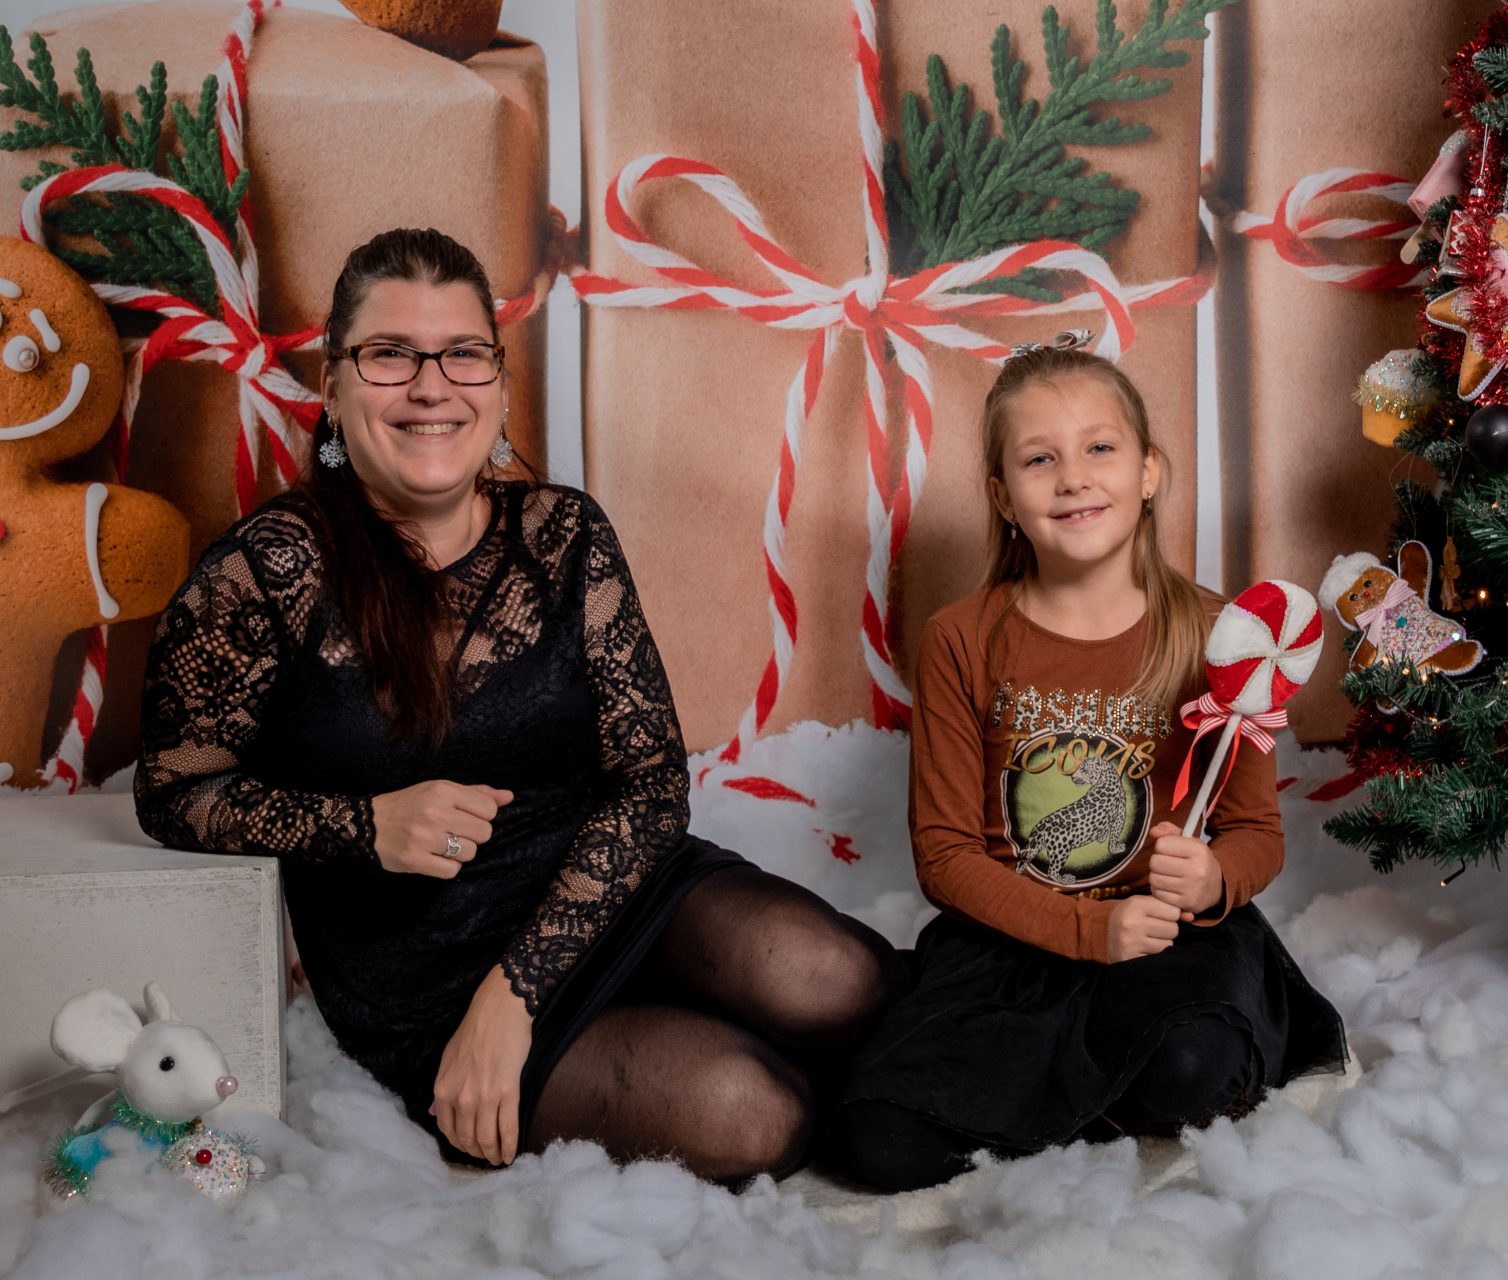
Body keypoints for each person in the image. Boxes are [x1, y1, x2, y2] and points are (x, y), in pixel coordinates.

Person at [135, 227, 901, 1183]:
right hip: (432, 976)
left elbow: (652, 784)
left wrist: (518, 993)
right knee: (753, 1115)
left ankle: (987, 1059)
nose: (432, 386)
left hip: (609, 892)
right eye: (390, 354)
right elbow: (174, 791)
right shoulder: (261, 575)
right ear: (332, 386)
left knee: (838, 978)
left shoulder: (562, 533)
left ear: (496, 383)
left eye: (463, 353)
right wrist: (363, 827)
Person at [832, 333, 1346, 1192]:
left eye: (1099, 448)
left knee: (1191, 1069)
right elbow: (946, 856)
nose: (1073, 478)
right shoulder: (962, 638)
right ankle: (1063, 1081)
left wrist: (1215, 878)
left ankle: (1088, 1080)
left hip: (1168, 938)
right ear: (1003, 497)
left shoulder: (1224, 638)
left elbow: (1256, 832)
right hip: (1014, 939)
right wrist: (1085, 933)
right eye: (1040, 459)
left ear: (1148, 472)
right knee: (879, 1145)